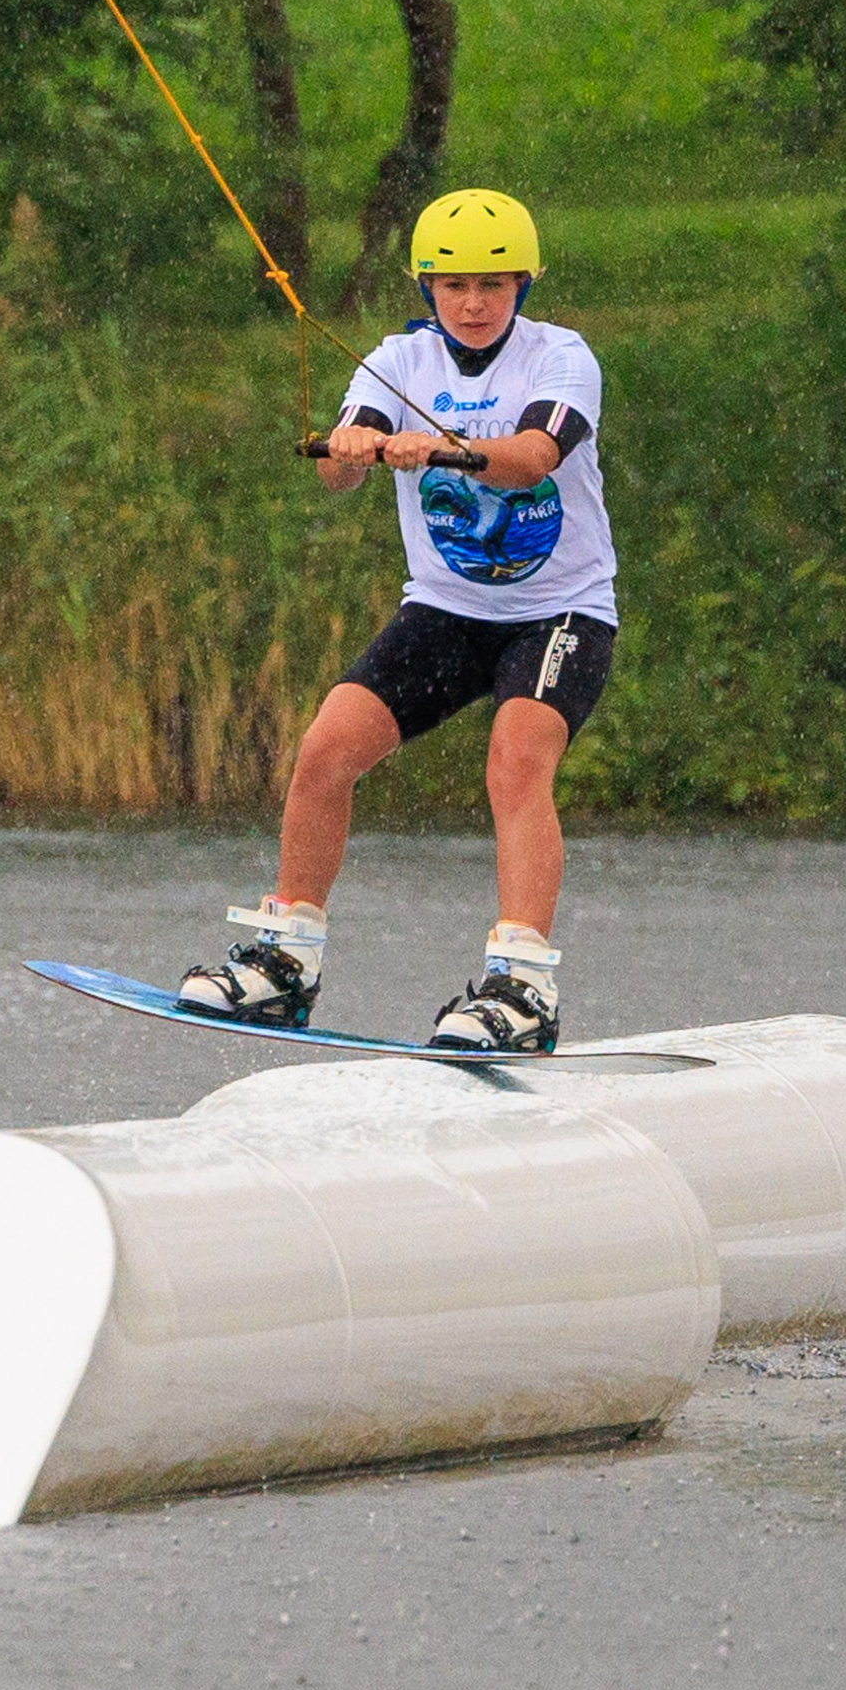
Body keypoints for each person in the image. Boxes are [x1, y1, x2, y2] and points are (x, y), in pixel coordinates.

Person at [180, 188, 614, 1053]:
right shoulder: (396, 362)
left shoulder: (561, 358)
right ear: (427, 288)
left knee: (515, 760)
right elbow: (340, 473)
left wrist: (446, 449)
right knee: (326, 748)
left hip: (558, 612)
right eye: (454, 285)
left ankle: (522, 988)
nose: (475, 303)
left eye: (494, 284)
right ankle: (286, 961)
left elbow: (532, 458)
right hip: (447, 612)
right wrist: (350, 450)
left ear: (524, 284)